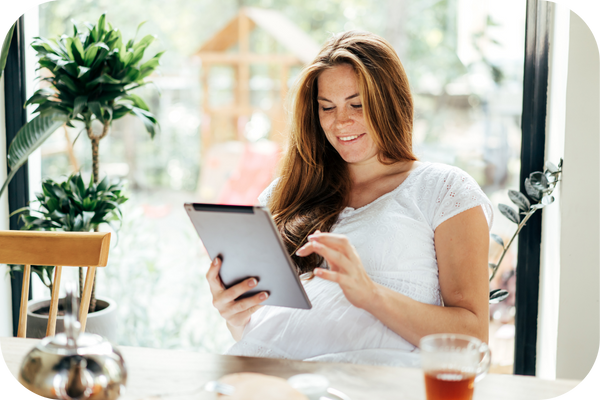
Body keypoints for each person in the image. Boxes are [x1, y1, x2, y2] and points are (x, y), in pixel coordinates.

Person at [206, 30, 493, 367]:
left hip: (367, 383)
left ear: (391, 102)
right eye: (327, 107)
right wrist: (236, 314)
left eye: (357, 104)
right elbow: (265, 330)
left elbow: (472, 338)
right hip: (267, 375)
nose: (341, 121)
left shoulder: (444, 190)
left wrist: (370, 295)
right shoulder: (284, 194)